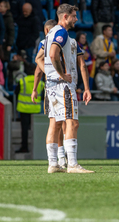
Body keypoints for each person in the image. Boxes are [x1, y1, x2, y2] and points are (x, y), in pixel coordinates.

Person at [43, 3, 93, 173]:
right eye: (73, 16)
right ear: (65, 16)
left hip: (50, 85)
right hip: (62, 85)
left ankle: (53, 164)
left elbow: (43, 57)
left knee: (54, 123)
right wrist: (62, 74)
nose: (76, 19)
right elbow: (52, 55)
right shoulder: (62, 32)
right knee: (70, 121)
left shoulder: (49, 35)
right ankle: (72, 164)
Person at [32, 19, 68, 168]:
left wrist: (35, 89)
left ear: (46, 30)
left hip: (52, 86)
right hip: (66, 84)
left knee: (56, 122)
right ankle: (65, 156)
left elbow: (38, 68)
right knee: (66, 121)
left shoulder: (44, 43)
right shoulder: (64, 39)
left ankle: (60, 157)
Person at [15, 63, 44, 153]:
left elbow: (16, 93)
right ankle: (38, 149)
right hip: (36, 109)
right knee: (37, 130)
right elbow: (43, 97)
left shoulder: (22, 81)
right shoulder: (41, 83)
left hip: (24, 109)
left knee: (24, 130)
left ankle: (24, 147)